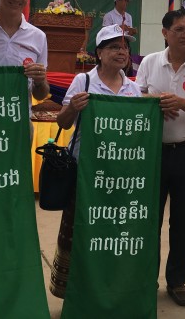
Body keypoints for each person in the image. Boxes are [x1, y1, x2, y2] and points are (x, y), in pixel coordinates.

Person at [49, 24, 140, 298]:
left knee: (110, 232)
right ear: (99, 53)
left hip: (117, 175)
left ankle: (107, 287)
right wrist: (73, 107)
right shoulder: (84, 82)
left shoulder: (133, 89)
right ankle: (73, 291)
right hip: (85, 173)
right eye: (114, 47)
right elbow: (63, 123)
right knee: (79, 232)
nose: (121, 52)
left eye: (125, 47)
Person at [135, 9, 185, 307]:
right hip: (152, 154)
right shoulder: (149, 62)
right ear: (165, 32)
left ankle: (177, 281)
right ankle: (145, 279)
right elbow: (136, 96)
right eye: (180, 29)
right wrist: (156, 102)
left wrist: (179, 102)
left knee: (184, 223)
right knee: (148, 222)